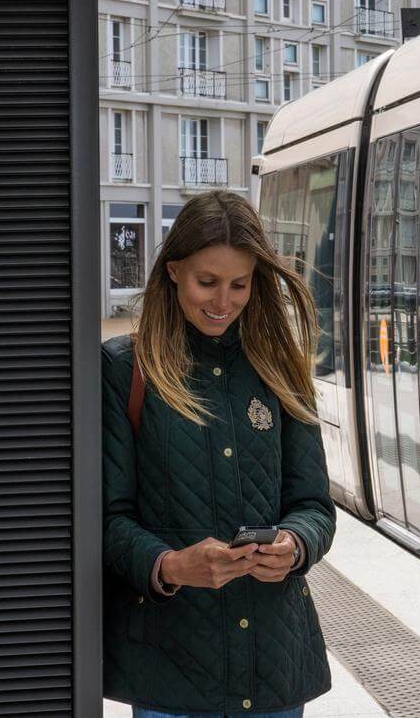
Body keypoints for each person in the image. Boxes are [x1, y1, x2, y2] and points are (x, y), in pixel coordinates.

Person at [102, 190, 336, 718]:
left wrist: (294, 545)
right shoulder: (125, 370)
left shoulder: (280, 370)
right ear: (174, 271)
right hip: (170, 673)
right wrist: (173, 565)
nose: (223, 301)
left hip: (274, 669)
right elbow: (109, 520)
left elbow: (315, 505)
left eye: (240, 284)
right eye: (207, 282)